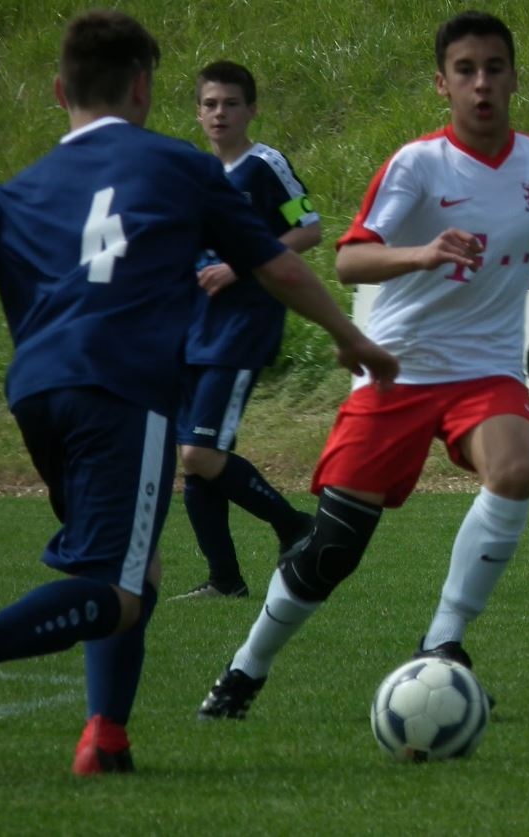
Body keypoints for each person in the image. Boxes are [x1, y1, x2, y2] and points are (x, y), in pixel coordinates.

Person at [0, 10, 396, 774]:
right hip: (121, 388)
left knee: (133, 564)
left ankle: (105, 737)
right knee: (119, 587)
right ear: (142, 88)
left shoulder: (17, 189)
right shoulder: (181, 167)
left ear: (58, 91)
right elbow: (278, 263)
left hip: (36, 395)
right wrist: (351, 338)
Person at [196, 10, 529, 720]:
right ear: (442, 84)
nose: (481, 83)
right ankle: (245, 669)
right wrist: (423, 253)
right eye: (465, 71)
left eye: (494, 68)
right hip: (397, 368)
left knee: (513, 468)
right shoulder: (417, 165)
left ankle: (443, 642)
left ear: (514, 77)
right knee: (332, 550)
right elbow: (350, 259)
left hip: (485, 370)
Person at [174, 61, 322, 600]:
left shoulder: (265, 165)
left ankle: (295, 526)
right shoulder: (193, 172)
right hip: (193, 328)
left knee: (199, 453)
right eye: (210, 104)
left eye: (231, 104)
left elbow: (309, 227)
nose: (220, 113)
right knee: (196, 461)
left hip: (241, 326)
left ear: (251, 110)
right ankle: (224, 580)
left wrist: (240, 265)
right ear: (198, 112)